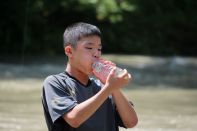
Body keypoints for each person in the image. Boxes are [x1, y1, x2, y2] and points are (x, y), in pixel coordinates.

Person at [41, 22, 138, 131]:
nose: (96, 54)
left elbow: (131, 122)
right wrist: (109, 88)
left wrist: (113, 88)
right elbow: (74, 119)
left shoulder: (103, 86)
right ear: (69, 51)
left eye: (99, 49)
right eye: (89, 48)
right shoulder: (55, 82)